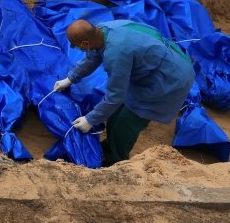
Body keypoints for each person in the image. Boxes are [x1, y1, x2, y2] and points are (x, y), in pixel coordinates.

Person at [54, 18, 196, 164]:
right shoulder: (102, 30)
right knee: (115, 114)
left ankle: (116, 161)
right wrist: (70, 79)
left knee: (127, 121)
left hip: (170, 79)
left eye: (75, 45)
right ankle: (109, 148)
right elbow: (92, 57)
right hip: (160, 64)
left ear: (85, 43)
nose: (74, 47)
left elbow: (115, 96)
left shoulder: (116, 53)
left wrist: (90, 120)